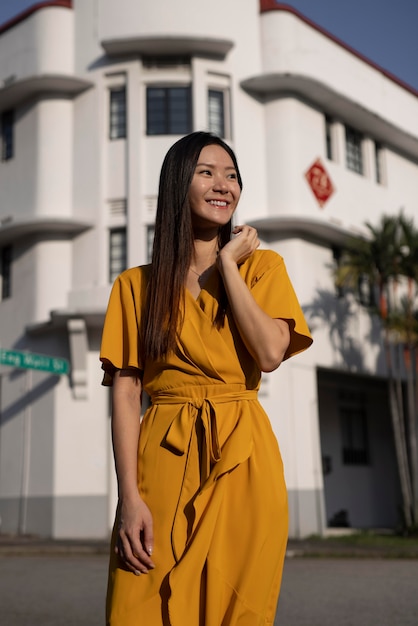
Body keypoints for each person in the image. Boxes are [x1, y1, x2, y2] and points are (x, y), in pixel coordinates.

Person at [100, 131, 312, 625]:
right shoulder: (135, 286)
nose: (224, 185)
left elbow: (269, 353)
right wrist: (128, 499)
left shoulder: (263, 267)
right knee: (136, 605)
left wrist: (228, 268)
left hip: (243, 461)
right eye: (207, 172)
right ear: (179, 185)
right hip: (162, 462)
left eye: (232, 175)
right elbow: (128, 395)